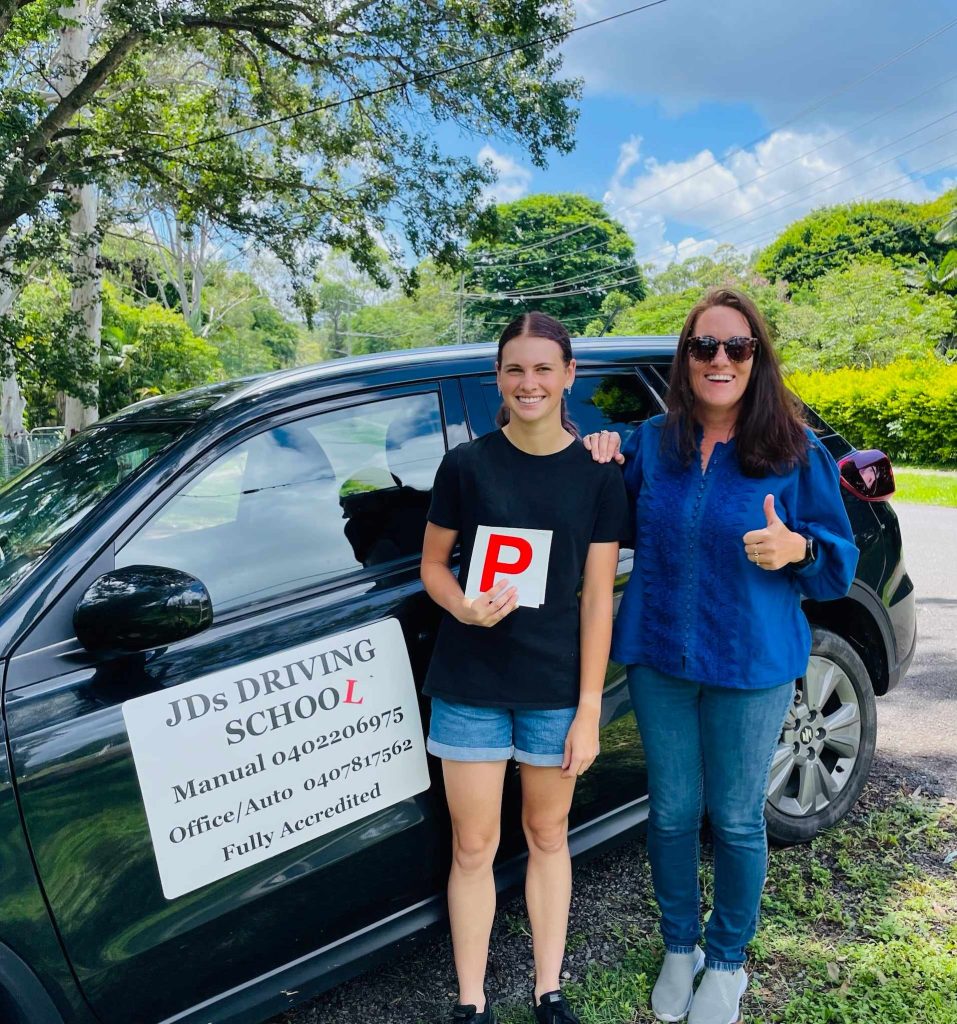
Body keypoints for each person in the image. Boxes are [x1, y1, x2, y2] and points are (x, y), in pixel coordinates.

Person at [585, 288, 858, 1024]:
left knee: (735, 819)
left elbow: (838, 562)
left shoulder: (792, 450)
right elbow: (597, 510)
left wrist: (798, 547)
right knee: (672, 814)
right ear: (685, 359)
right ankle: (682, 947)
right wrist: (596, 454)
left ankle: (727, 961)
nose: (718, 360)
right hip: (659, 658)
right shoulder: (652, 442)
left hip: (750, 665)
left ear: (756, 359)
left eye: (736, 347)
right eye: (703, 346)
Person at [421, 311, 630, 1024]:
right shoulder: (466, 465)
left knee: (547, 836)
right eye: (515, 369)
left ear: (569, 375)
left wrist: (589, 708)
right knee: (473, 844)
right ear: (498, 379)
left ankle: (549, 989)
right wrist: (461, 606)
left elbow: (598, 597)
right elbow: (431, 566)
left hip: (553, 689)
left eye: (544, 368)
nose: (529, 382)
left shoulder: (600, 474)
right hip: (471, 683)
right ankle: (470, 1001)